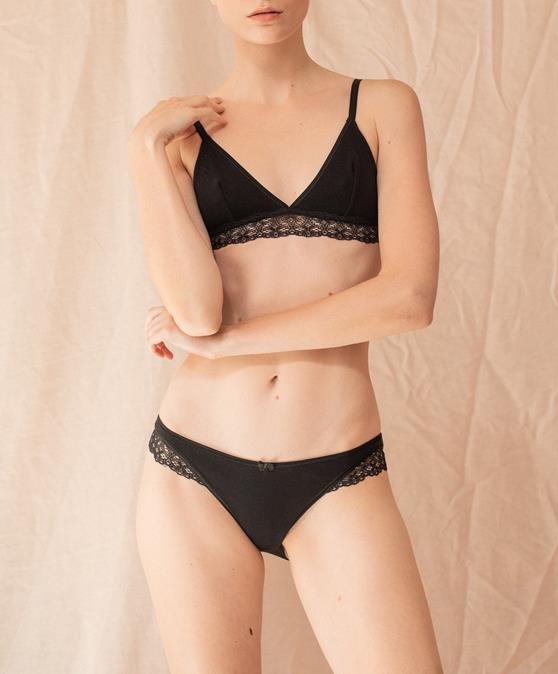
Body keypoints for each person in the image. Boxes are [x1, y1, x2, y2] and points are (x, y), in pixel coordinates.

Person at [127, 1, 441, 672]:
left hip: (337, 465)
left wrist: (232, 342)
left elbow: (409, 299)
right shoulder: (181, 137)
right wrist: (145, 150)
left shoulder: (382, 106)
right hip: (194, 467)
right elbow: (197, 314)